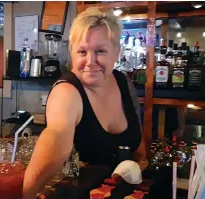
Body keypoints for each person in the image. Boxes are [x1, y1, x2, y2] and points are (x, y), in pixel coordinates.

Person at [23, 7, 148, 199]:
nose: (90, 61)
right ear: (72, 52)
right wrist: (27, 194)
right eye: (82, 51)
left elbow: (139, 149)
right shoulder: (67, 92)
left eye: (100, 51)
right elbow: (55, 138)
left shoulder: (123, 82)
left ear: (117, 52)